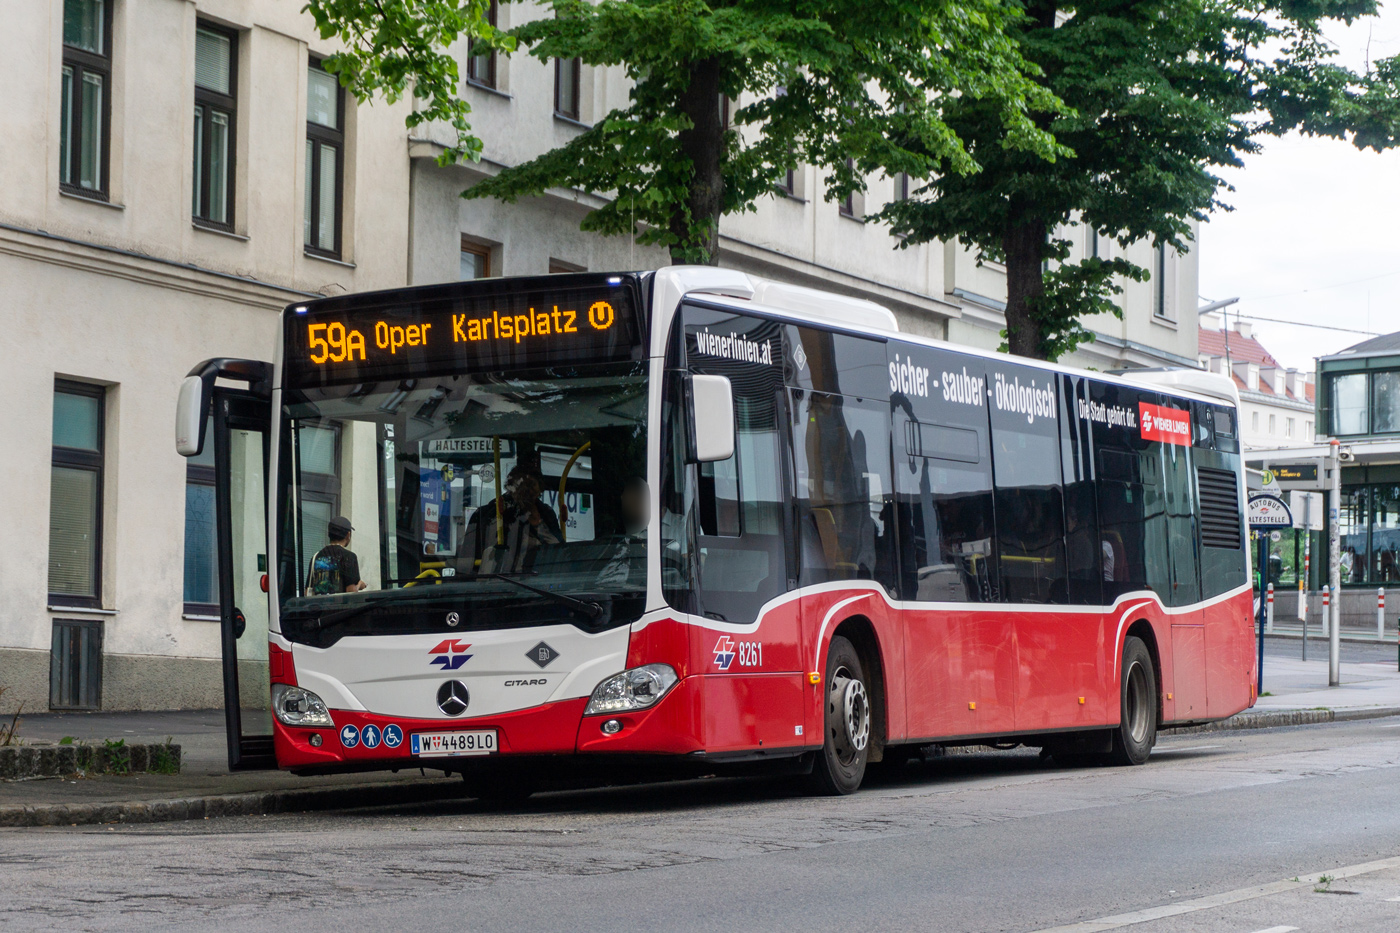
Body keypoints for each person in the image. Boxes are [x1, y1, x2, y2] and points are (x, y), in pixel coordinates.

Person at [465, 466, 563, 573]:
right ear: (511, 488)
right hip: (510, 580)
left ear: (540, 488)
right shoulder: (496, 512)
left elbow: (560, 548)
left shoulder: (547, 514)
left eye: (532, 485)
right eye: (522, 485)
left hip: (546, 579)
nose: (527, 490)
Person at [597, 477, 649, 588]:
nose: (630, 504)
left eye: (637, 498)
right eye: (628, 498)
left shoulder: (652, 538)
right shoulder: (611, 537)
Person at [306, 516, 368, 595]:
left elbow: (307, 591)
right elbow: (351, 592)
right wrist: (360, 585)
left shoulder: (316, 557)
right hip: (339, 606)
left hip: (320, 606)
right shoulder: (349, 557)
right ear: (348, 535)